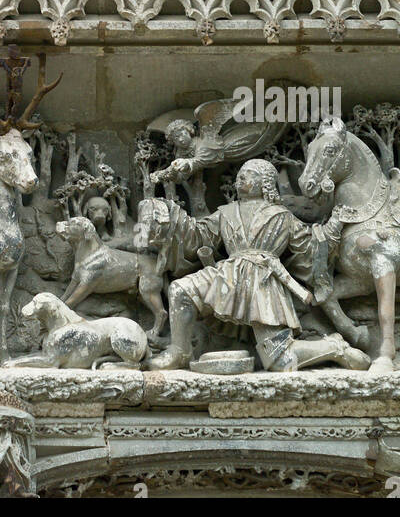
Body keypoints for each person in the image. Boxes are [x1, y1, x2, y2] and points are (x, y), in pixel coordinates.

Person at [147, 158, 370, 372]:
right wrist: (173, 215)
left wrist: (334, 225)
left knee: (280, 360)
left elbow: (311, 247)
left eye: (248, 175)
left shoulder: (282, 216)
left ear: (265, 182)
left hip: (263, 282)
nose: (240, 179)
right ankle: (179, 351)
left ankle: (334, 348)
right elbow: (198, 235)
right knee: (180, 290)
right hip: (227, 274)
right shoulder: (226, 212)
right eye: (239, 175)